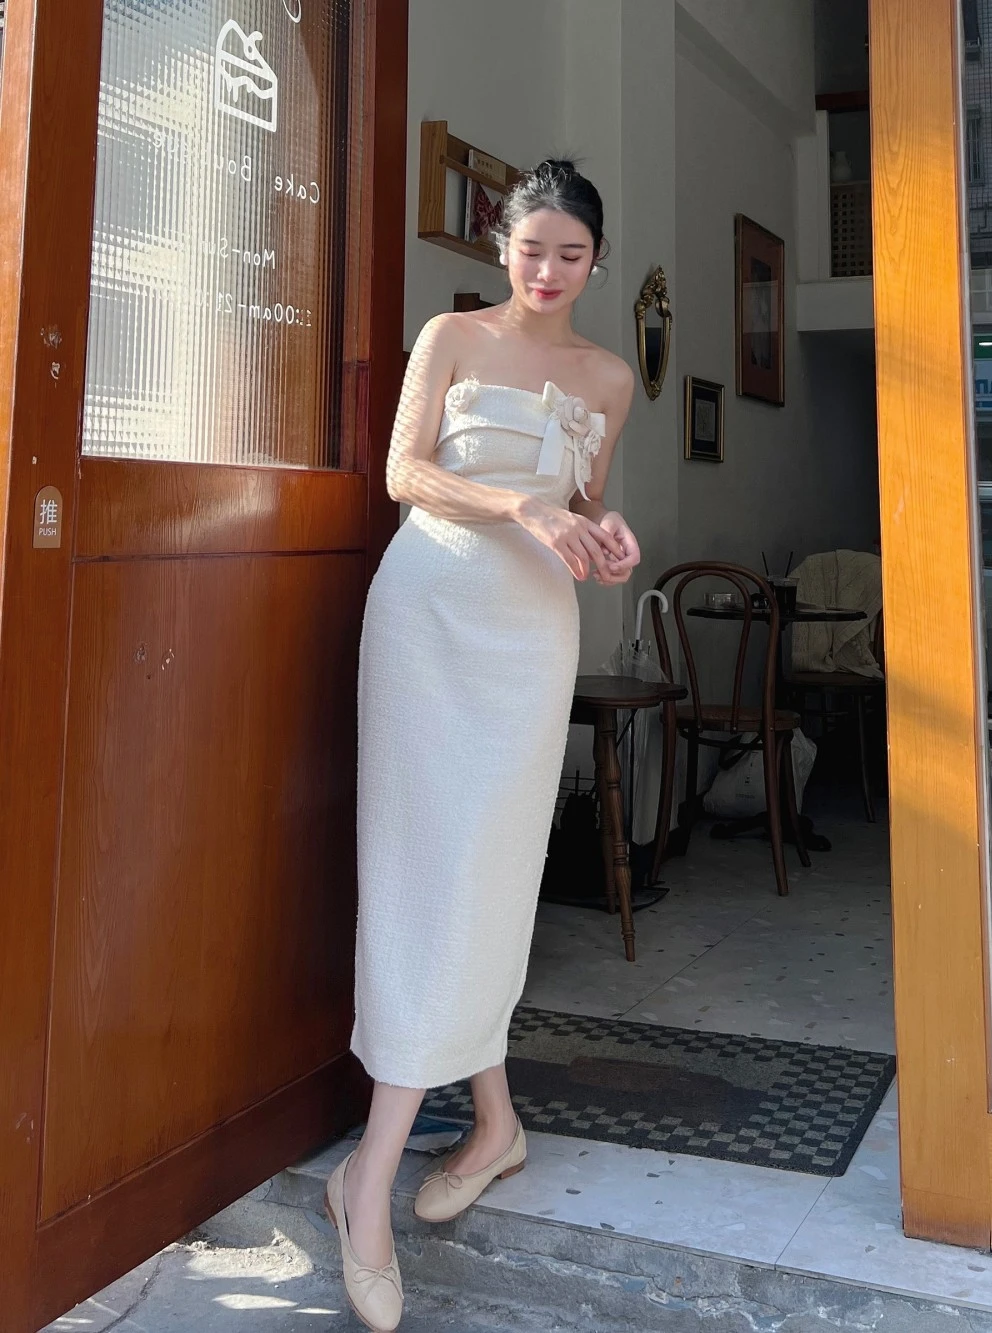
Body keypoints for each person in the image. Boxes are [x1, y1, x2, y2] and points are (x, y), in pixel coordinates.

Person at [324, 159, 640, 1332]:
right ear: (501, 248)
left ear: (595, 261)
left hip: (528, 635)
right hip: (429, 613)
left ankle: (475, 1130)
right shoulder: (449, 337)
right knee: (424, 874)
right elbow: (404, 473)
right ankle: (378, 1176)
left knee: (490, 880)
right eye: (530, 248)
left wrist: (605, 533)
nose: (548, 270)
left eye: (570, 254)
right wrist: (519, 505)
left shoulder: (608, 375)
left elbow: (584, 503)